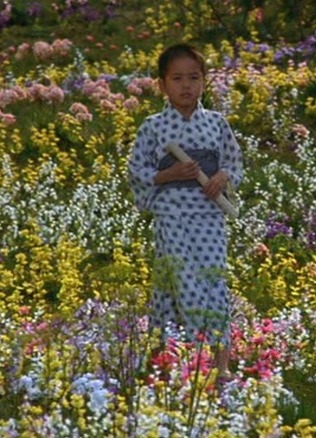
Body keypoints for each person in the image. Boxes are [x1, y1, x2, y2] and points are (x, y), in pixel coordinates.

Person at [128, 43, 243, 375]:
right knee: (174, 286)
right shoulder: (153, 127)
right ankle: (168, 366)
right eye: (177, 78)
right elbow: (137, 172)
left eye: (194, 77)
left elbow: (234, 164)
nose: (186, 86)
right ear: (162, 84)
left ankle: (221, 367)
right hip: (172, 218)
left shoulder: (217, 124)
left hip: (209, 219)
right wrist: (168, 174)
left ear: (204, 81)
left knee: (214, 284)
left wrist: (222, 177)